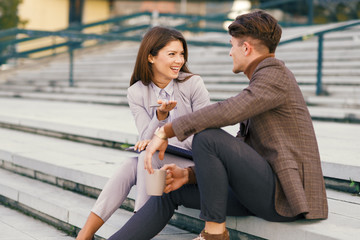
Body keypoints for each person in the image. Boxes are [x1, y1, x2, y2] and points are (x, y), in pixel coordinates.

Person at [106, 10, 328, 240]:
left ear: (246, 48)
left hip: (285, 195)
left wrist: (165, 131)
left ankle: (214, 234)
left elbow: (230, 110)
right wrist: (189, 175)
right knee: (168, 192)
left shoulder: (275, 75)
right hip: (258, 189)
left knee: (207, 135)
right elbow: (243, 148)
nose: (230, 52)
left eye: (232, 45)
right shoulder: (263, 78)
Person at [76, 26, 210, 240]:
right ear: (151, 57)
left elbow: (205, 134)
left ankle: (139, 224)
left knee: (146, 156)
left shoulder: (193, 84)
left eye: (182, 54)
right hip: (157, 156)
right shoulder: (136, 92)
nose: (179, 61)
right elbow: (144, 138)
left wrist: (166, 136)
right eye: (172, 54)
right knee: (130, 163)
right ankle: (86, 234)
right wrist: (160, 117)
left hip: (195, 159)